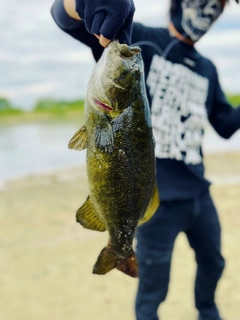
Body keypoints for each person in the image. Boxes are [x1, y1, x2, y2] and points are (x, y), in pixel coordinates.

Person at [51, 0, 240, 319]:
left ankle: (208, 311)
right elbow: (64, 16)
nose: (209, 9)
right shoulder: (137, 43)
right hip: (152, 199)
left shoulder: (207, 67)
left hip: (199, 195)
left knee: (214, 263)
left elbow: (224, 124)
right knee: (153, 286)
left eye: (218, 5)